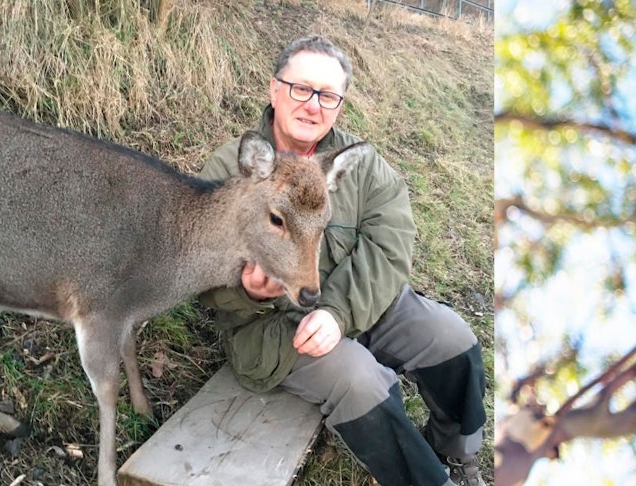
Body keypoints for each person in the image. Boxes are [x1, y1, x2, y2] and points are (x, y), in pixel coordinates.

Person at [197, 35, 487, 486]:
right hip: (275, 327)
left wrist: (338, 312)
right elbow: (204, 274)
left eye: (328, 96)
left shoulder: (358, 162)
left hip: (357, 300)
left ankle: (456, 451)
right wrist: (248, 293)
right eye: (301, 88)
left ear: (340, 104)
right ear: (275, 89)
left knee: (452, 337)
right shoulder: (230, 169)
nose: (313, 106)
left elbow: (391, 243)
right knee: (361, 381)